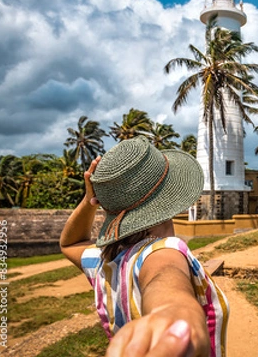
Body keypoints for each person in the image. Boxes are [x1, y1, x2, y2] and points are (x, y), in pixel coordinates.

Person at [60, 136, 228, 357]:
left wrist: (88, 200)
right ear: (171, 193)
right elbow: (165, 278)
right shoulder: (164, 250)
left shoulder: (103, 262)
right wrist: (172, 316)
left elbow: (69, 243)